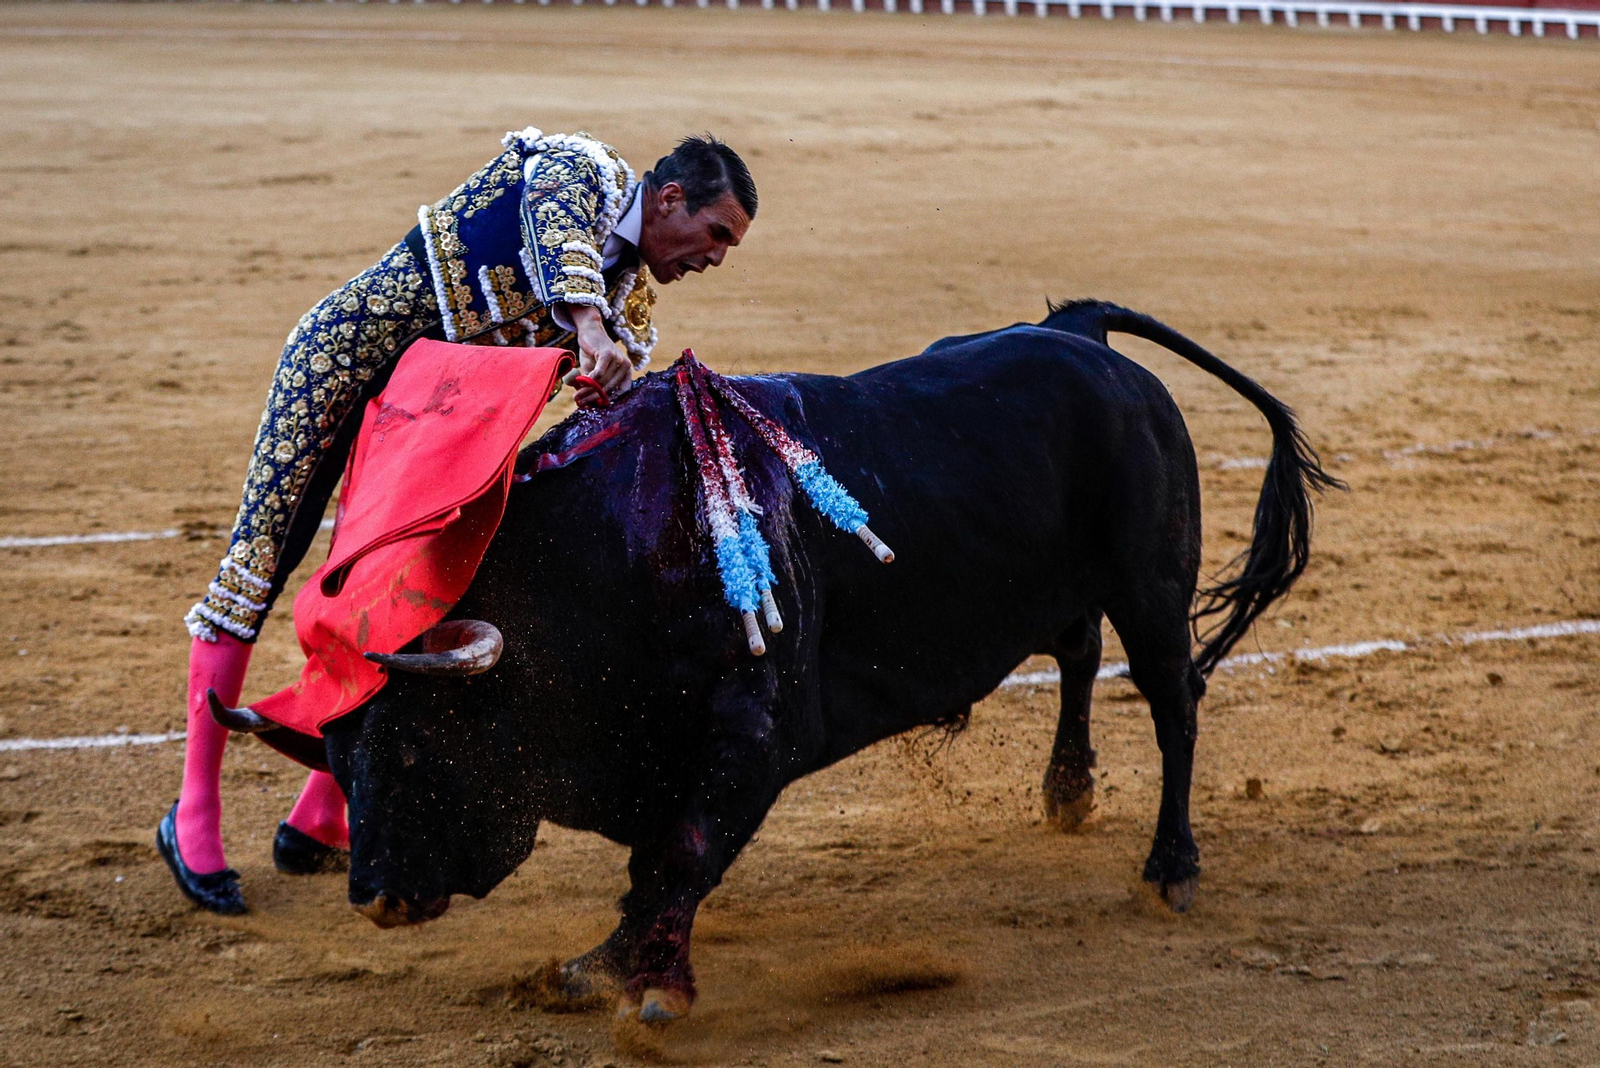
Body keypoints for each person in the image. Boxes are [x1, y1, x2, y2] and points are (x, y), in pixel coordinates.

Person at [158, 130, 757, 914]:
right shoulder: (584, 169)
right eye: (716, 234)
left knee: (402, 601)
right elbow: (553, 229)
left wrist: (606, 383)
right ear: (671, 198)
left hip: (430, 437)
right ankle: (193, 813)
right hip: (344, 364)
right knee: (257, 565)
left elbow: (583, 405)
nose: (714, 257)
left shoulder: (632, 311)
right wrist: (588, 328)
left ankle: (323, 810)